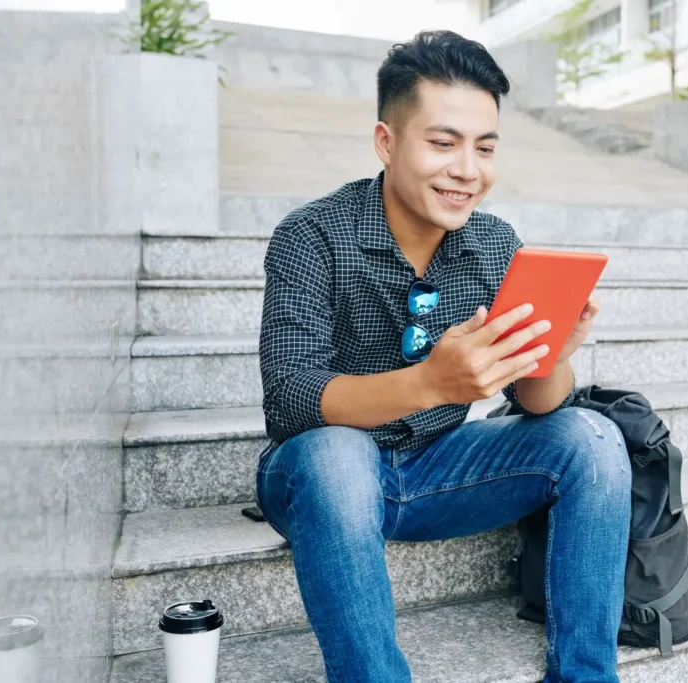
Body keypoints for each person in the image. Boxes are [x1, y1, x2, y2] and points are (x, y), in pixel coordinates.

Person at [254, 29, 631, 683]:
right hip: (321, 477)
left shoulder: (492, 244)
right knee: (337, 453)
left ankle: (586, 674)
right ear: (387, 142)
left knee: (593, 436)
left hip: (437, 470)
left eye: (485, 148)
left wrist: (549, 355)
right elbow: (290, 396)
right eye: (443, 142)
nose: (467, 170)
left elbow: (538, 404)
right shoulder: (312, 235)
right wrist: (430, 382)